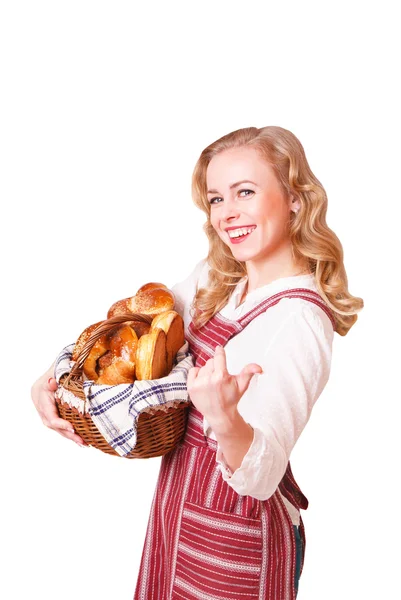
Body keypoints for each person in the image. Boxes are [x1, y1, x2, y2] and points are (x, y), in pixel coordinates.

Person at [31, 125, 363, 599]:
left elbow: (263, 472)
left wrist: (225, 417)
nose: (228, 214)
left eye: (245, 192)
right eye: (216, 199)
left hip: (235, 536)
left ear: (294, 197)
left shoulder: (299, 319)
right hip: (179, 501)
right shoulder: (218, 279)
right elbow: (137, 326)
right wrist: (55, 375)